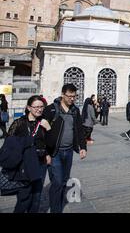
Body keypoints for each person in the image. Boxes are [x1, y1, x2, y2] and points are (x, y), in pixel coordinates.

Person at [41, 83, 87, 213]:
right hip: (54, 152)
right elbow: (42, 133)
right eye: (69, 96)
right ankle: (56, 210)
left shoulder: (75, 110)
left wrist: (83, 147)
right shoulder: (51, 110)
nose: (72, 99)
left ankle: (58, 207)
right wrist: (46, 153)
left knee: (63, 181)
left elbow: (79, 129)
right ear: (62, 94)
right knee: (57, 182)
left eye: (74, 96)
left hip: (69, 152)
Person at [6, 95, 51, 213]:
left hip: (40, 164)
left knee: (36, 197)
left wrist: (49, 129)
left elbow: (49, 143)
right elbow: (8, 144)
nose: (39, 109)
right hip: (24, 165)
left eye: (42, 107)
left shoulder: (44, 122)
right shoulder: (19, 123)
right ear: (29, 108)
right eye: (36, 107)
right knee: (24, 198)